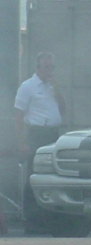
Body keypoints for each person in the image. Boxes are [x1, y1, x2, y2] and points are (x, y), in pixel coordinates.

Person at [14, 52, 65, 233]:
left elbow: (62, 108)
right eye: (46, 67)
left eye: (52, 68)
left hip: (53, 133)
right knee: (34, 177)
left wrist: (57, 90)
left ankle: (50, 219)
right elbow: (19, 116)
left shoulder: (53, 87)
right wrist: (22, 142)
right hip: (37, 134)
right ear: (38, 68)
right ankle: (33, 222)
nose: (50, 71)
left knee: (53, 178)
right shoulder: (28, 86)